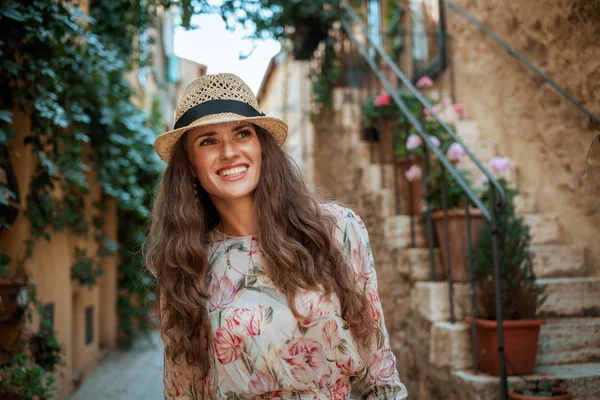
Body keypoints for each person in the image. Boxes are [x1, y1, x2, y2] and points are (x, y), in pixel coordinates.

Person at [145, 73, 408, 400]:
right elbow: (182, 392)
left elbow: (380, 374)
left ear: (261, 147)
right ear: (191, 166)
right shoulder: (185, 266)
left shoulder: (337, 231)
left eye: (242, 133)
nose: (229, 151)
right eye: (208, 141)